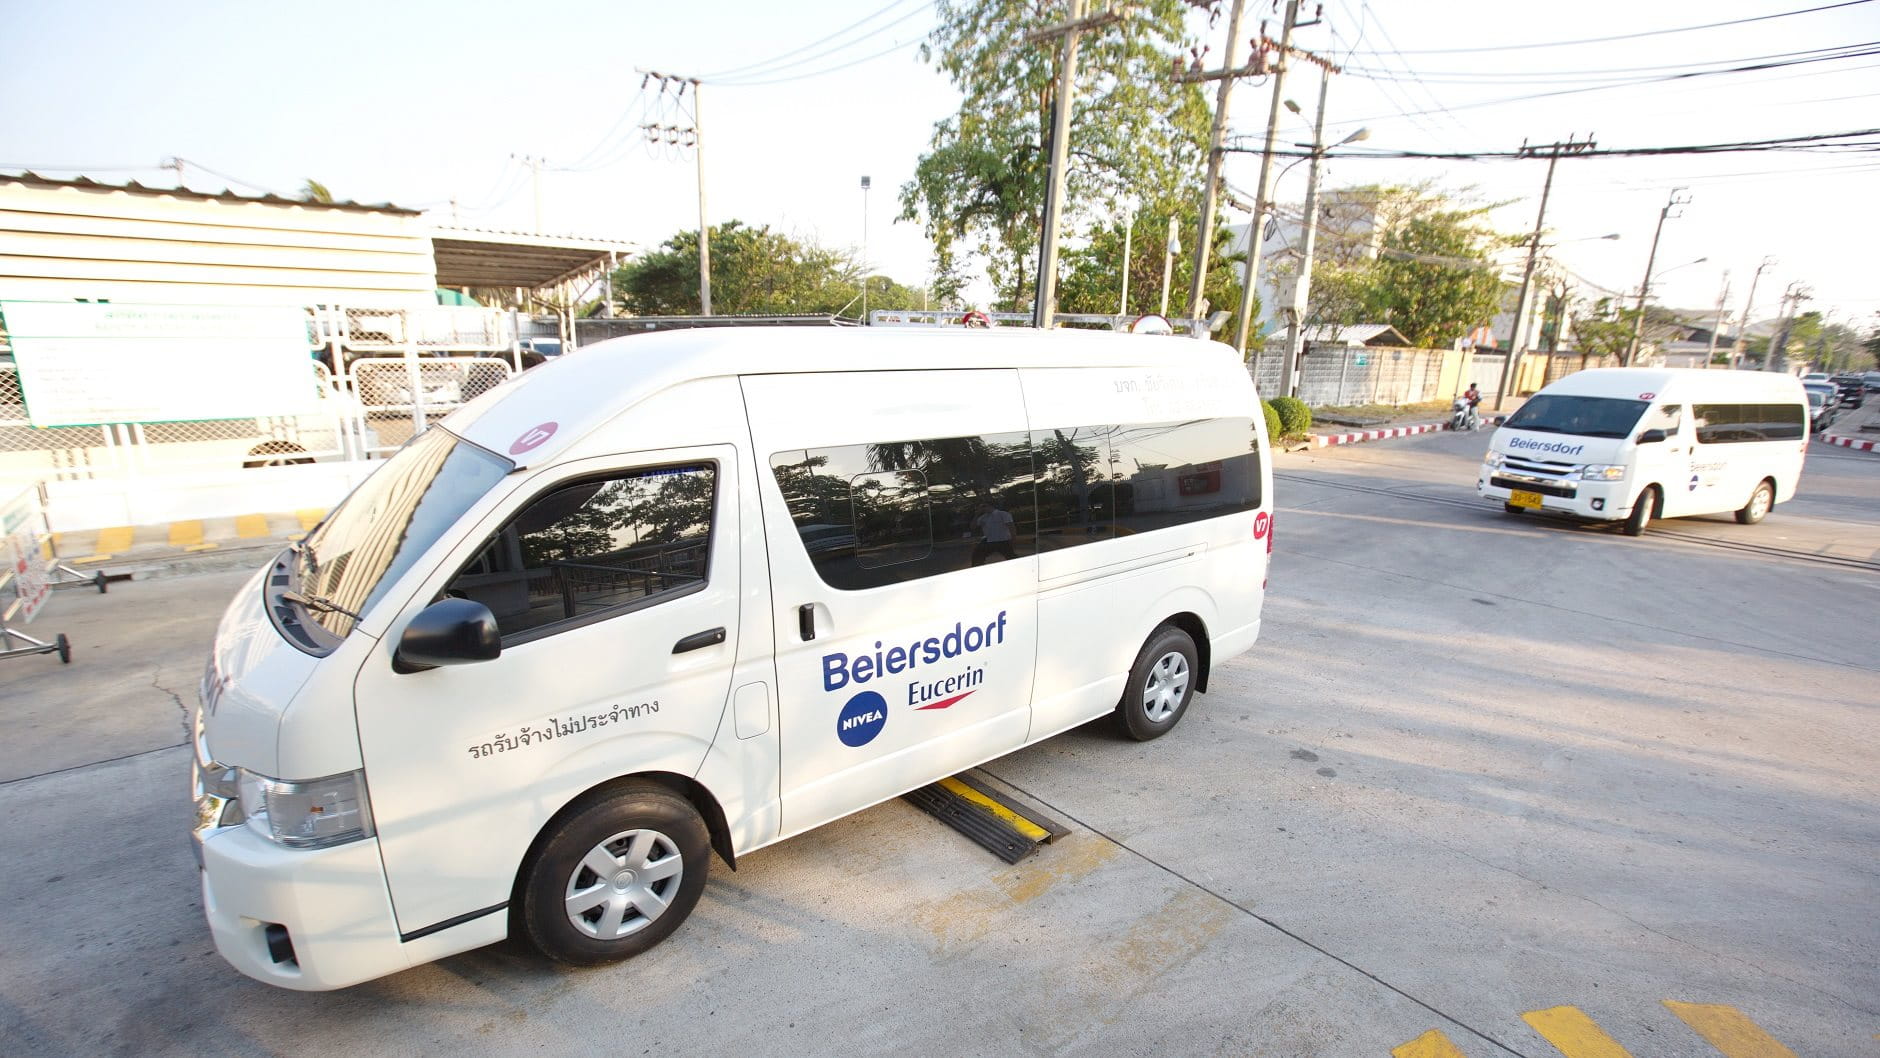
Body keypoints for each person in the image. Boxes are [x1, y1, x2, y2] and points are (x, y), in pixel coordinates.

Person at [969, 500, 1017, 566]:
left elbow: (1011, 527)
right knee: (977, 556)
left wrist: (1013, 538)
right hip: (989, 541)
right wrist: (976, 515)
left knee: (1011, 558)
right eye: (981, 507)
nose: (982, 508)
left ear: (991, 506)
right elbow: (972, 527)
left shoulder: (1003, 514)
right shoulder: (983, 517)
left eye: (984, 506)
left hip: (1003, 540)